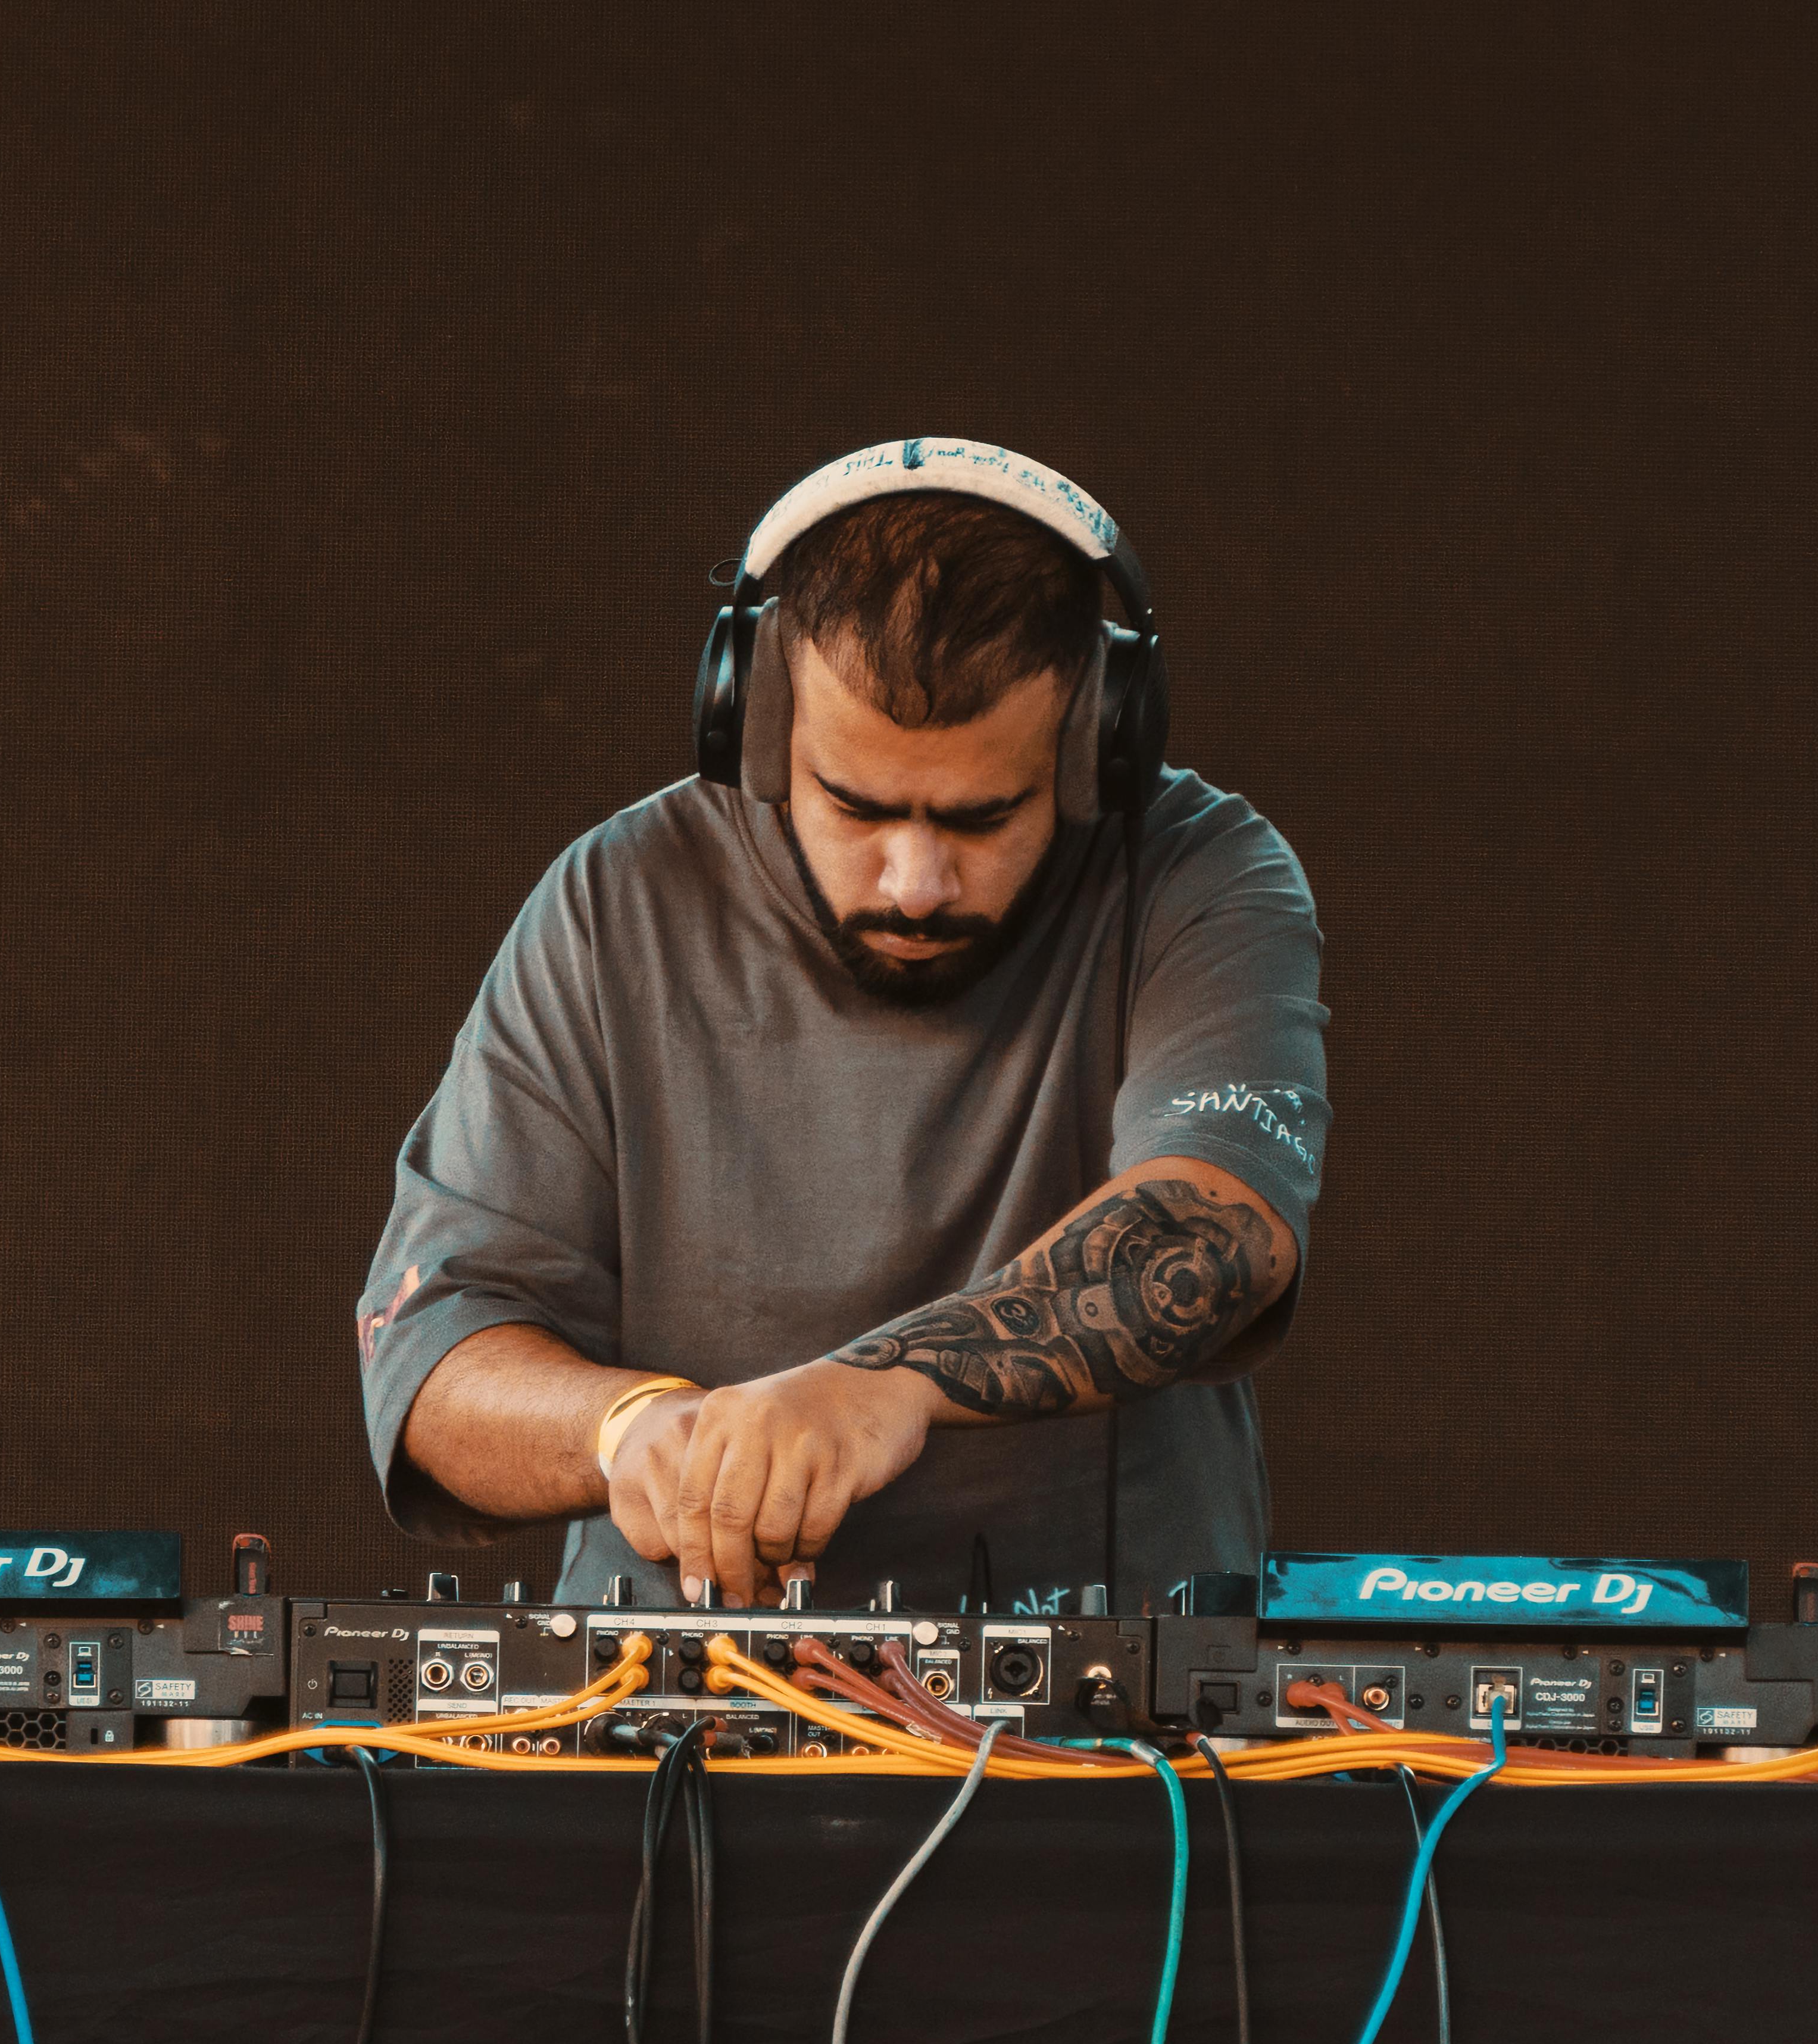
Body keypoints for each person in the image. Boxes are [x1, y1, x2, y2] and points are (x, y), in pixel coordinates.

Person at [357, 439, 1327, 1614]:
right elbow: (441, 1363)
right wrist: (632, 1428)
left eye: (984, 815)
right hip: (675, 1716)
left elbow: (1217, 1229)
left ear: (1095, 746)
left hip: (1103, 1728)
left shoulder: (1200, 872)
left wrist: (880, 1387)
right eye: (857, 804)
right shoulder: (613, 902)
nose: (917, 881)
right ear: (754, 726)